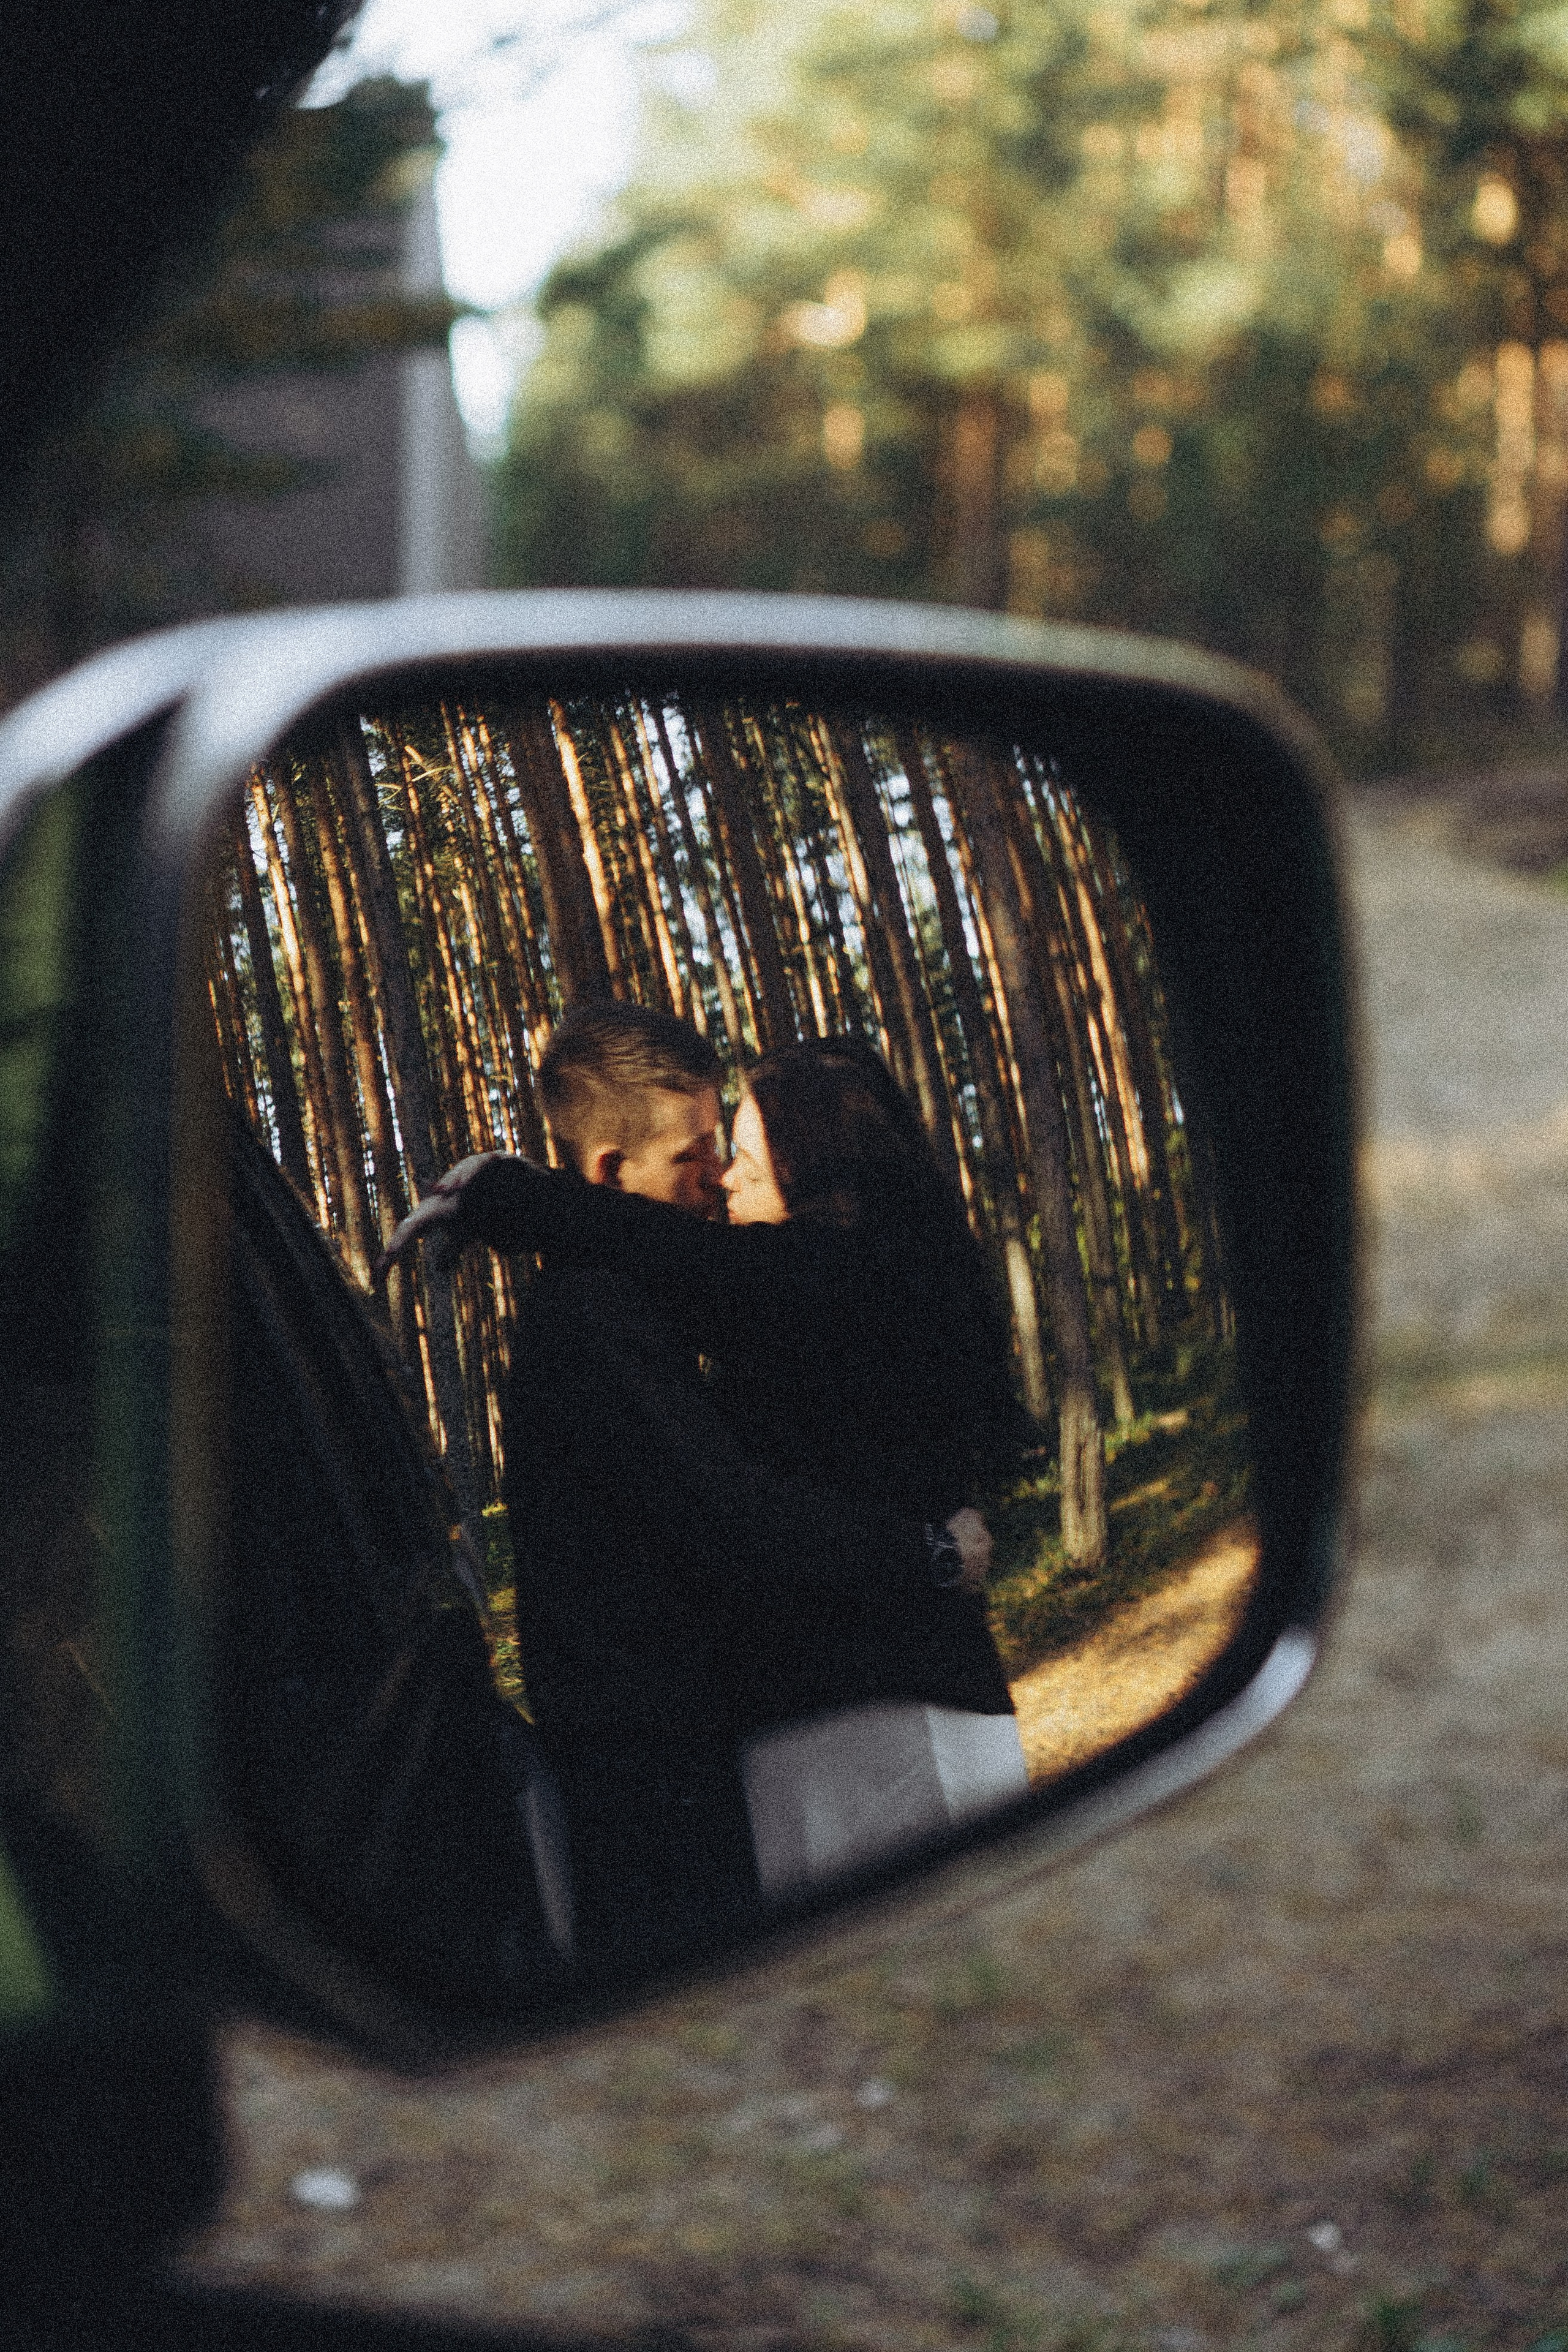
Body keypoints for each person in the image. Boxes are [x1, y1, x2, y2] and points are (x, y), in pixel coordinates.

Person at [384, 1005, 989, 1980]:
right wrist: (924, 1551)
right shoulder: (595, 1317)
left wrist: (509, 1195)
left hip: (723, 1756)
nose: (718, 1177)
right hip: (654, 1780)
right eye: (696, 1153)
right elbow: (730, 1514)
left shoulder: (776, 1281)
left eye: (731, 1148)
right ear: (613, 1175)